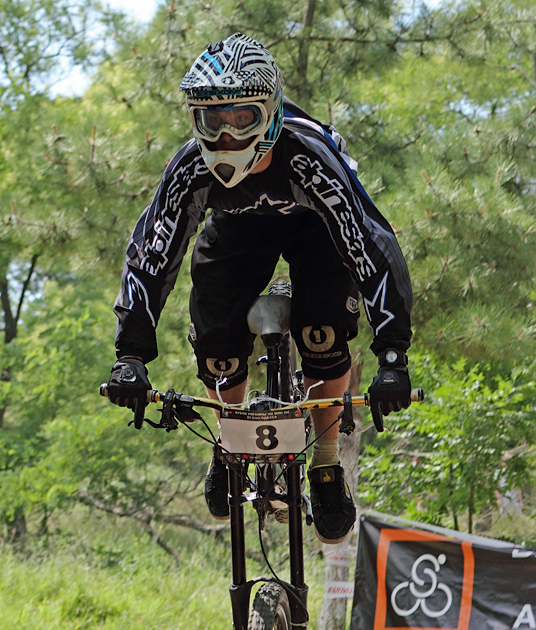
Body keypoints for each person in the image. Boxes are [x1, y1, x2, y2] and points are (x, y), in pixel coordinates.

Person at [106, 33, 413, 544]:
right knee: (218, 345)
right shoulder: (189, 168)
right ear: (194, 122)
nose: (226, 138)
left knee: (322, 333)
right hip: (235, 228)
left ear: (269, 113)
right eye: (212, 121)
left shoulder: (309, 157)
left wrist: (393, 357)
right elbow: (151, 253)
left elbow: (372, 247)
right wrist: (130, 355)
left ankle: (326, 463)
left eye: (241, 118)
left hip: (317, 228)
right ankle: (229, 444)